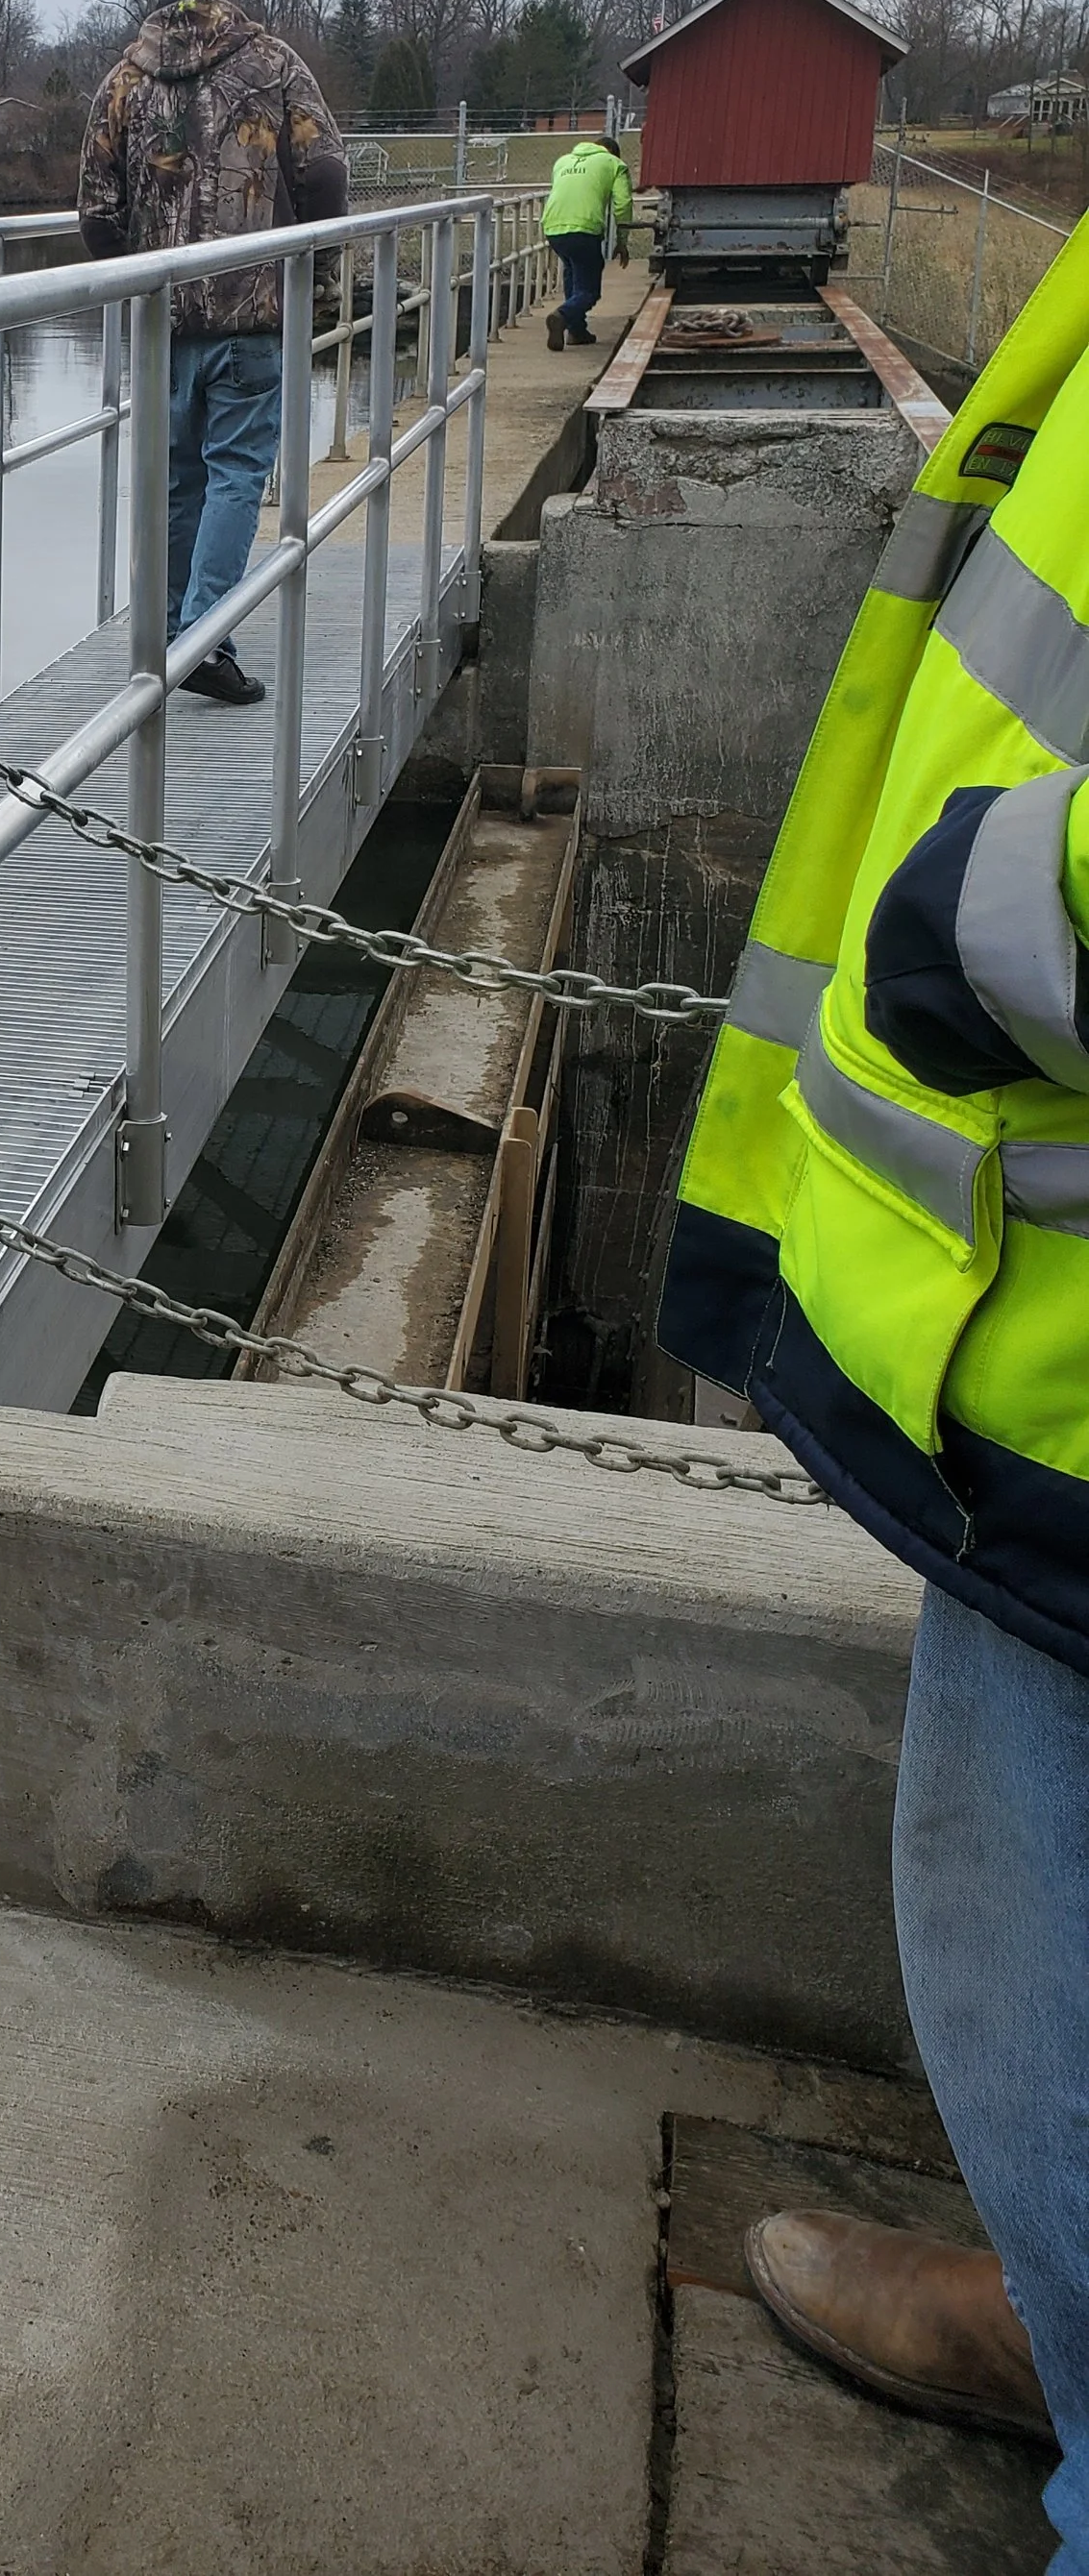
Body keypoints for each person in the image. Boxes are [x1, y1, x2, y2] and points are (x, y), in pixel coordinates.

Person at [657, 215, 1089, 2563]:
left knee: (1047, 1911)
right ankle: (1070, 2309)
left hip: (1059, 1305)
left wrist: (995, 921)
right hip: (1021, 1306)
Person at [78, 0, 348, 706]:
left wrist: (137, 284)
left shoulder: (125, 81)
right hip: (252, 311)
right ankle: (203, 634)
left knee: (175, 479)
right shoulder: (272, 65)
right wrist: (311, 270)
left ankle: (169, 635)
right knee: (235, 474)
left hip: (163, 318)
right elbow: (324, 172)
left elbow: (97, 211)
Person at [540, 132, 631, 349]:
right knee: (589, 290)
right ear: (613, 153)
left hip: (553, 228)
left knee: (573, 270)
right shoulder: (614, 164)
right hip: (584, 229)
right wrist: (622, 240)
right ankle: (562, 315)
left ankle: (576, 331)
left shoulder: (563, 161)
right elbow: (623, 204)